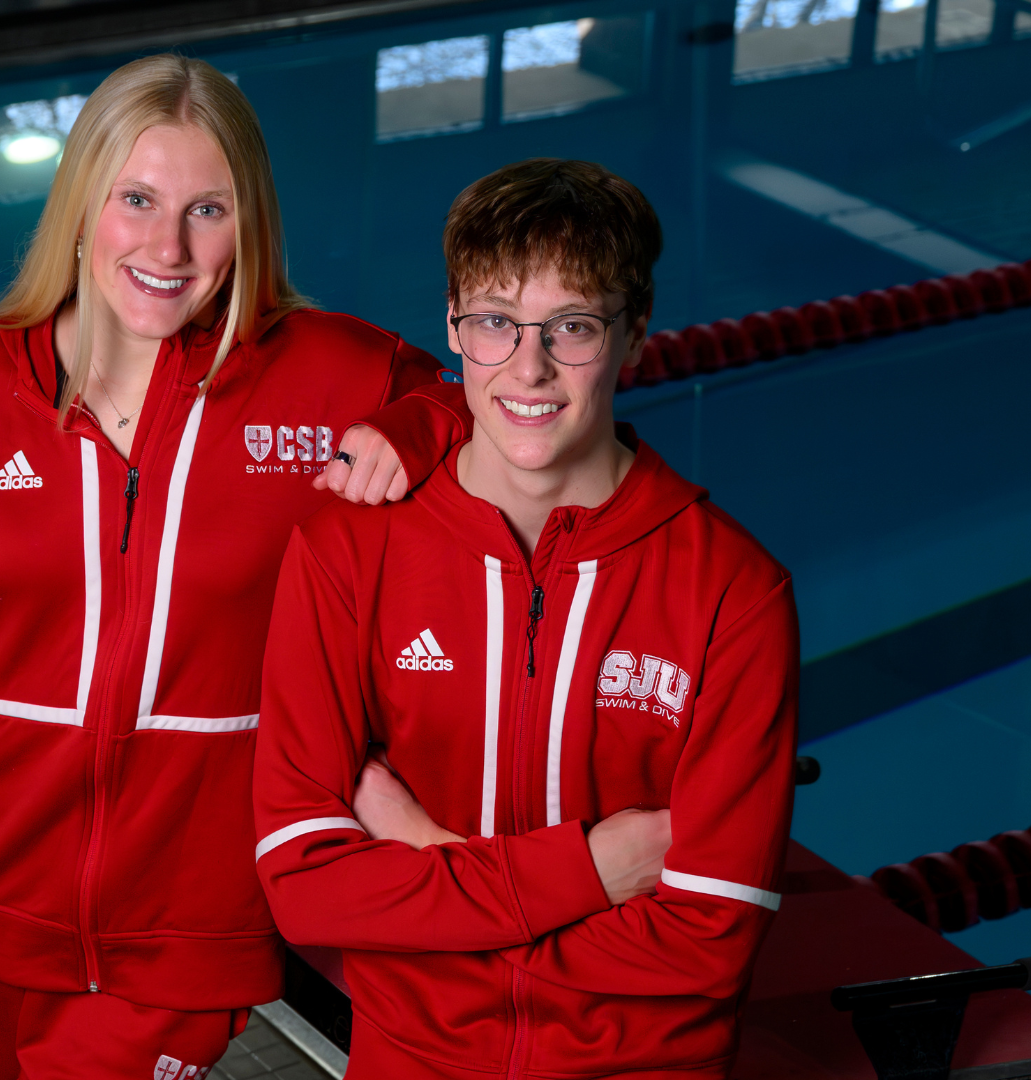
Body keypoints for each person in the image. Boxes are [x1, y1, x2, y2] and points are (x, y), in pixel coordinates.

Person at [0, 54, 468, 1079]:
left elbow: (458, 395)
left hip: (184, 919)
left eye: (208, 210)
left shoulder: (318, 374)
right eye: (137, 199)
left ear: (250, 223)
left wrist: (413, 429)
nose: (168, 246)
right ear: (83, 205)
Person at [253, 158, 799, 1078]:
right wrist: (590, 872)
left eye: (573, 327)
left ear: (634, 337)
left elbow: (709, 941)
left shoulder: (732, 593)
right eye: (497, 323)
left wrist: (427, 861)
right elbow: (304, 887)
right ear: (455, 330)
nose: (530, 367)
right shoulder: (347, 550)